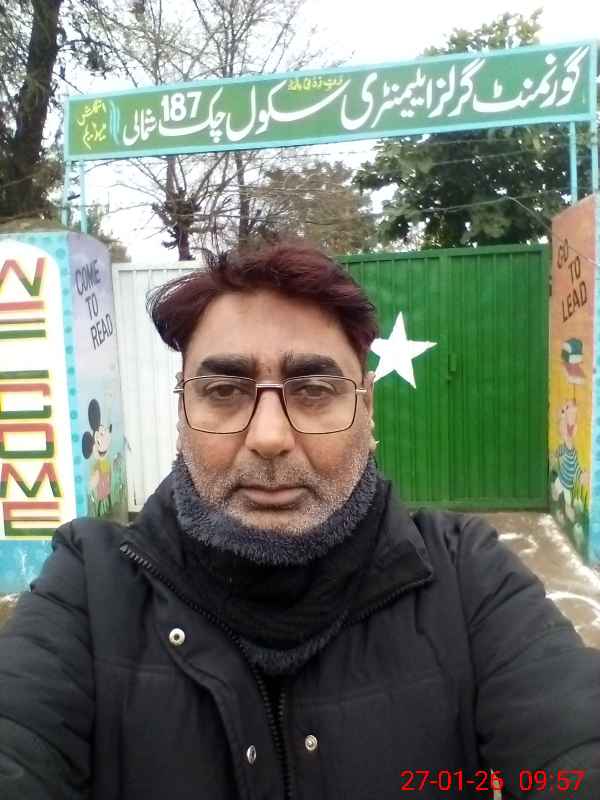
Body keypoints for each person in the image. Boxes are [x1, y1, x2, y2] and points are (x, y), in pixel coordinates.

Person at [0, 242, 599, 800]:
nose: (269, 437)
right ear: (182, 410)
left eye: (313, 389)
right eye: (224, 390)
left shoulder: (466, 578)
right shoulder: (91, 589)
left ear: (366, 407)